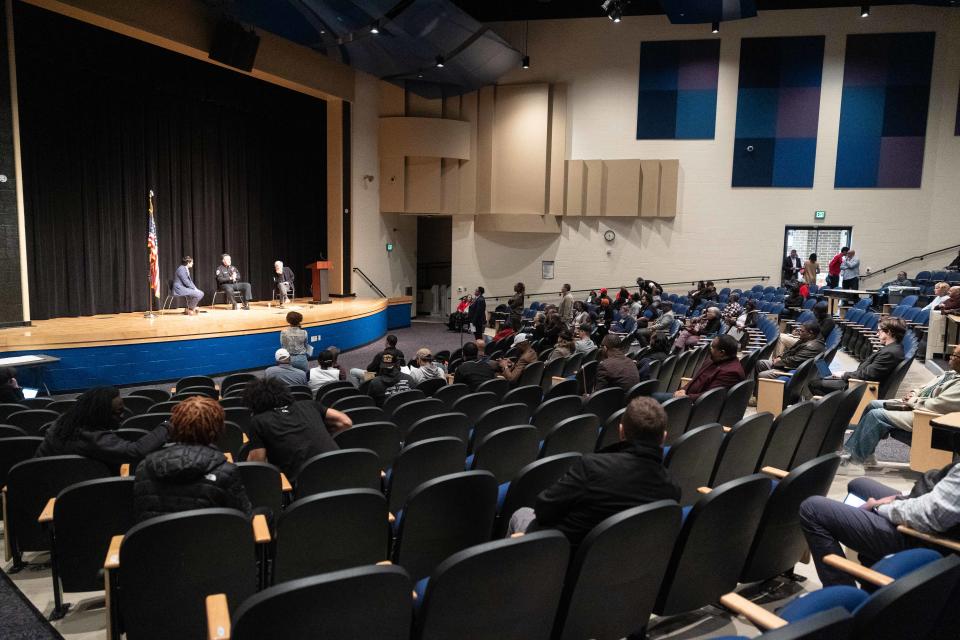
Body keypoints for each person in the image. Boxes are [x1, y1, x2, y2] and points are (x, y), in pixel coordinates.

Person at [506, 397, 680, 546]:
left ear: (621, 432)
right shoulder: (671, 487)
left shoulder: (591, 467)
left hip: (564, 554)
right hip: (617, 565)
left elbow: (544, 509)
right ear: (664, 437)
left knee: (520, 514)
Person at [799, 466, 960, 587]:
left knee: (812, 509)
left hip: (921, 537)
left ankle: (843, 600)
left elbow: (927, 516)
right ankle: (873, 580)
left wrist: (878, 507)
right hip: (926, 508)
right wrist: (900, 497)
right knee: (858, 485)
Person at [840, 344, 960, 469]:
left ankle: (854, 462)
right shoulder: (951, 374)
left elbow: (937, 405)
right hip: (917, 405)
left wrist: (913, 400)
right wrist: (914, 393)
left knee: (876, 416)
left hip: (927, 417)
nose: (950, 357)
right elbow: (925, 387)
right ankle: (865, 454)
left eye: (955, 355)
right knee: (872, 404)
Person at [133, 396, 251, 523]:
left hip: (159, 541)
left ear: (175, 428)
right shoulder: (227, 471)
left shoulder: (143, 468)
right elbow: (243, 518)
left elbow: (140, 516)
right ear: (216, 431)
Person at [34, 386, 167, 470]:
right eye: (118, 412)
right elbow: (135, 451)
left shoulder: (63, 421)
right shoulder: (92, 438)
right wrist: (168, 425)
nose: (123, 415)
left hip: (45, 480)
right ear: (101, 413)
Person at [243, 377, 351, 480]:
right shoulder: (310, 404)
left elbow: (258, 463)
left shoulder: (258, 421)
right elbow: (345, 422)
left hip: (307, 485)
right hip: (342, 471)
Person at [808, 317, 906, 397]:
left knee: (814, 384)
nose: (877, 334)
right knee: (824, 377)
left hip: (860, 387)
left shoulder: (890, 353)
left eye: (879, 331)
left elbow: (867, 376)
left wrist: (844, 375)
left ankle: (835, 409)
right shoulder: (895, 349)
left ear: (888, 332)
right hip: (860, 382)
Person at [654, 335, 745, 402]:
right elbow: (695, 379)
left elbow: (710, 396)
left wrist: (685, 397)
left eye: (712, 347)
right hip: (685, 396)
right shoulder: (713, 360)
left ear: (722, 352)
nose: (710, 349)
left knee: (650, 400)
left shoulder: (731, 372)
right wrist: (683, 389)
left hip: (692, 405)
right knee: (649, 397)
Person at [754, 320, 824, 381]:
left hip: (791, 369)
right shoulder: (805, 339)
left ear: (810, 334)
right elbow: (790, 351)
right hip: (787, 365)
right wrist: (780, 357)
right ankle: (757, 392)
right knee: (760, 363)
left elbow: (794, 360)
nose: (799, 332)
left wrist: (778, 362)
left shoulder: (812, 347)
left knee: (762, 375)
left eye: (802, 331)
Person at [280, 311, 309, 375]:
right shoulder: (304, 332)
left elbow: (282, 346)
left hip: (288, 360)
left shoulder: (283, 332)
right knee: (306, 377)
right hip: (302, 359)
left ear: (288, 320)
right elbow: (306, 346)